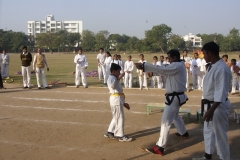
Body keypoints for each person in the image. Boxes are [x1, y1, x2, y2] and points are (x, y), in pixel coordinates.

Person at [135, 49, 189, 156]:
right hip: (176, 97)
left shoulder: (177, 66)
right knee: (175, 116)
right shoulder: (177, 66)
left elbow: (164, 69)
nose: (167, 60)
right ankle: (184, 132)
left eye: (169, 58)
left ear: (174, 57)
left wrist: (144, 66)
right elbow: (165, 71)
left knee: (165, 121)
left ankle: (160, 147)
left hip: (174, 98)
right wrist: (152, 72)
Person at [193, 42, 231, 160]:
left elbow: (221, 93)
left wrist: (211, 110)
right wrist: (206, 108)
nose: (203, 56)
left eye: (204, 54)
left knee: (220, 136)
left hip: (217, 107)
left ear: (210, 53)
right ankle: (207, 156)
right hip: (209, 105)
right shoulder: (212, 66)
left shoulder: (222, 69)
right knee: (208, 132)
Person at [104, 63, 132, 142]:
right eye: (118, 71)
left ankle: (110, 132)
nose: (119, 73)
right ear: (114, 71)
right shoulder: (112, 78)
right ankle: (120, 135)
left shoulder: (114, 77)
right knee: (120, 117)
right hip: (115, 99)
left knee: (116, 116)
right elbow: (113, 86)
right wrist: (119, 78)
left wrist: (124, 102)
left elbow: (119, 91)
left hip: (117, 98)